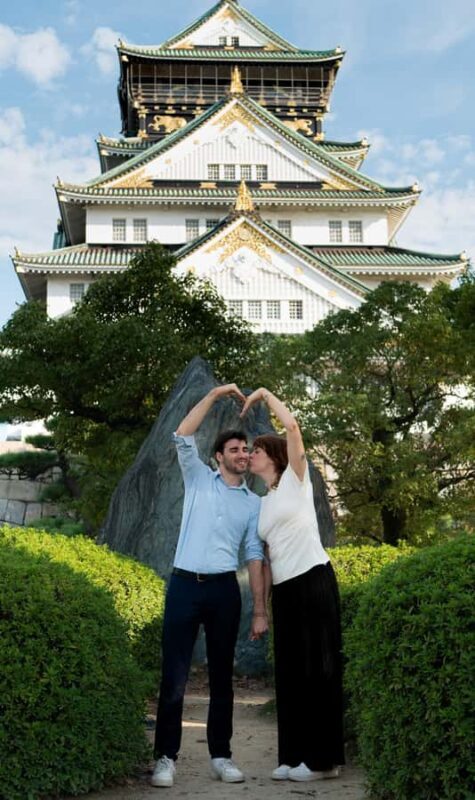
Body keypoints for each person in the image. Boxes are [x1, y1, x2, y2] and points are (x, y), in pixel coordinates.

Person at [151, 384, 268, 789]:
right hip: (184, 585)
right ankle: (165, 757)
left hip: (223, 592)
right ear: (218, 457)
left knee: (222, 677)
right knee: (175, 676)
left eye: (245, 450)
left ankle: (222, 755)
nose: (241, 454)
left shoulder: (254, 504)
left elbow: (254, 554)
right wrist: (217, 394)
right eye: (233, 449)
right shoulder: (198, 477)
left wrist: (260, 609)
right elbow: (182, 434)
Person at [241, 387, 345, 783]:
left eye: (256, 451)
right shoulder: (263, 499)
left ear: (274, 456)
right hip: (285, 590)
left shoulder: (295, 481)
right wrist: (264, 606)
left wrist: (265, 394)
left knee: (318, 670)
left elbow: (293, 425)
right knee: (289, 673)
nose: (249, 455)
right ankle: (295, 754)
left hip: (313, 579)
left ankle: (323, 762)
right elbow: (265, 557)